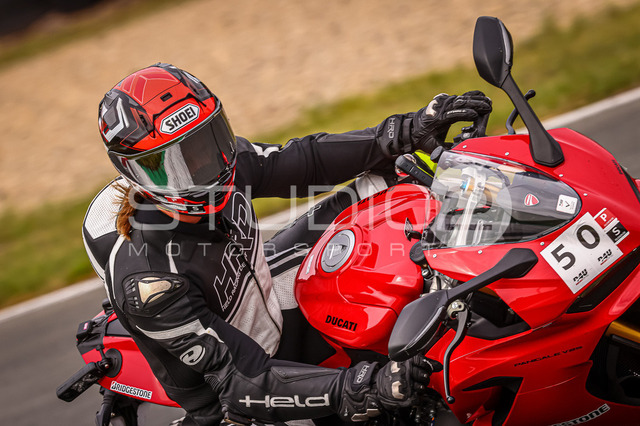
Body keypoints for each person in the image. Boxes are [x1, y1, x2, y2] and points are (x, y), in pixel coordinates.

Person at [83, 63, 492, 425]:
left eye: (206, 141)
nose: (202, 165)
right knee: (377, 399)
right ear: (134, 173)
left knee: (391, 179)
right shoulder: (150, 284)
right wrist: (360, 386)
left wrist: (402, 131)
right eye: (175, 163)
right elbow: (244, 380)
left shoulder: (223, 161)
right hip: (236, 397)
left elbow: (306, 160)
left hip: (265, 297)